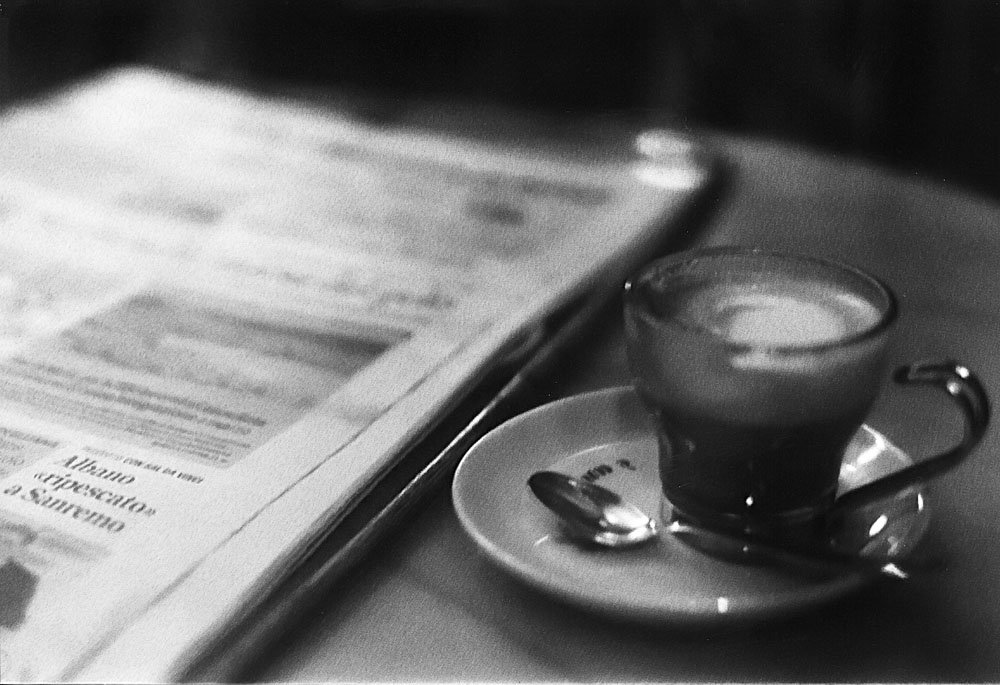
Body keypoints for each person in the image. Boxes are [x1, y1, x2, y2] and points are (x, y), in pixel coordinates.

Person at [0, 521, 39, 630]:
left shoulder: (26, 580)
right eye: (0, 539)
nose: (1, 545)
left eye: (8, 543)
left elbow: (12, 621)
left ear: (21, 548)